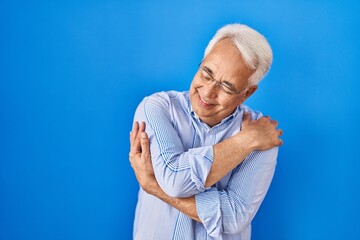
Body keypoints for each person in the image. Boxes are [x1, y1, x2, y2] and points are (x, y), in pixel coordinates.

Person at [129, 23, 283, 240]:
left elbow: (234, 218)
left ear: (246, 93)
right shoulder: (157, 107)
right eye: (206, 73)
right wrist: (245, 142)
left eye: (227, 87)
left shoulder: (263, 133)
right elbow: (176, 181)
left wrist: (153, 186)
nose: (208, 92)